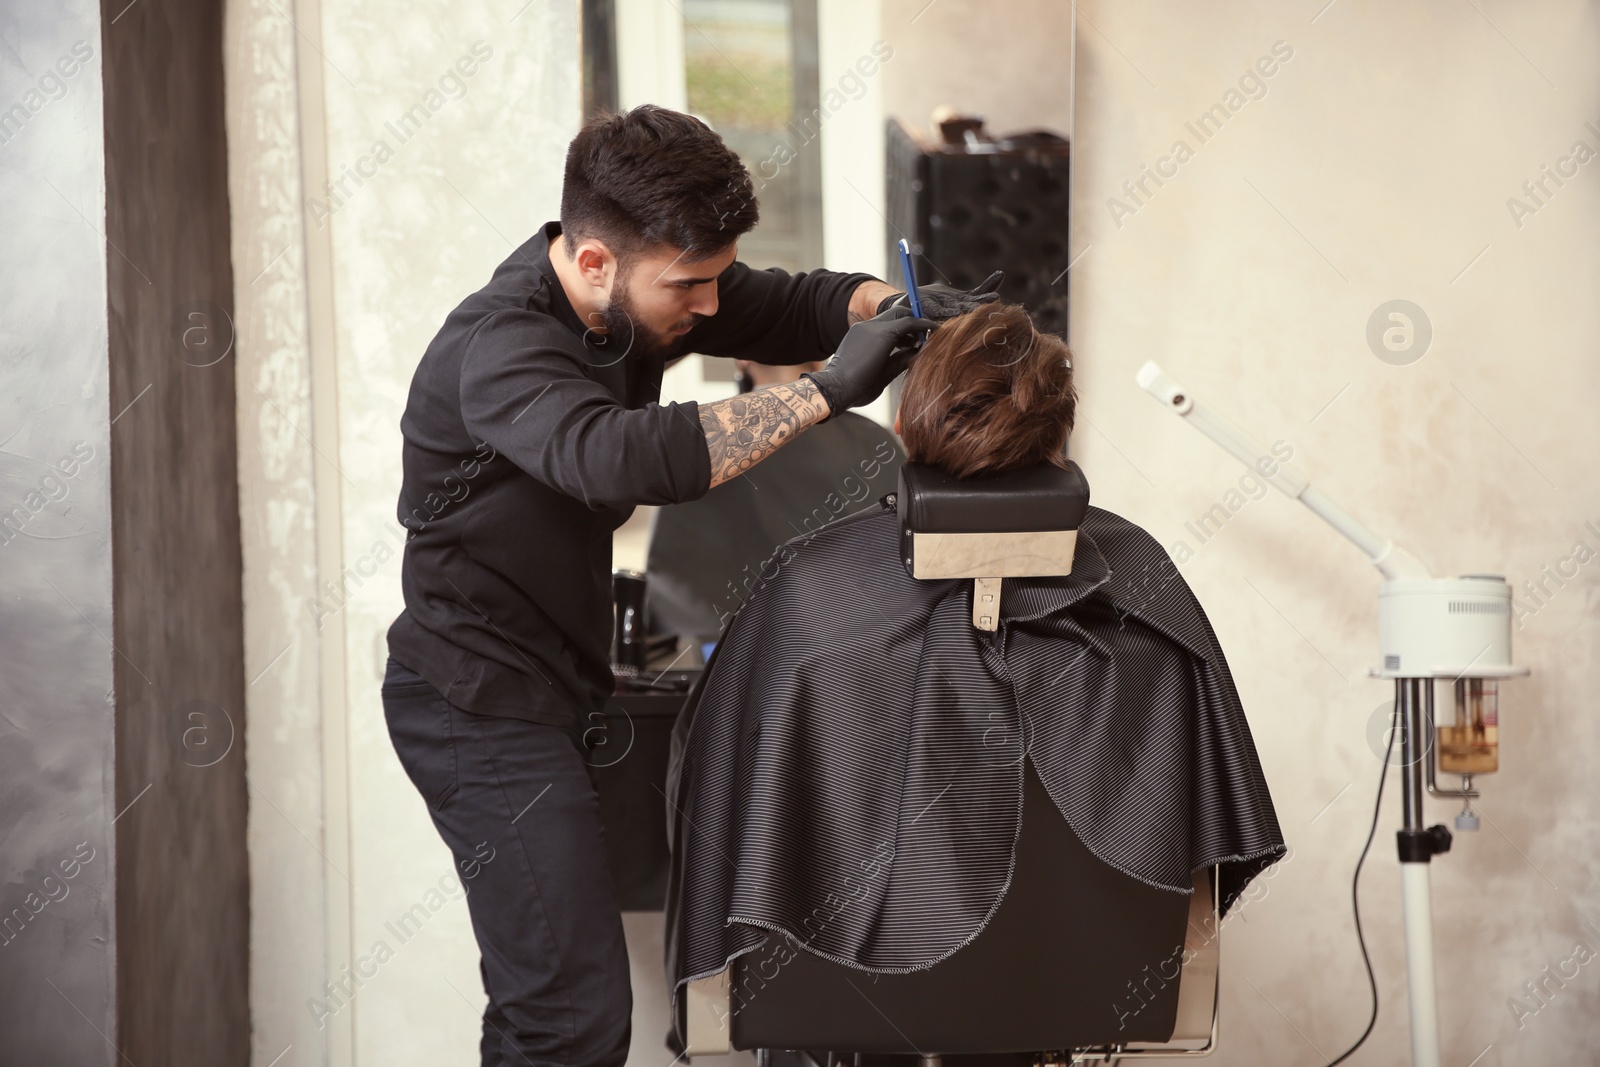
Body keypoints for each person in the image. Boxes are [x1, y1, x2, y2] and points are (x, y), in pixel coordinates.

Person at [379, 103, 998, 1067]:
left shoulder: (643, 290)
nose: (710, 308)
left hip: (560, 687)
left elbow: (792, 299)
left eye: (714, 278)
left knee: (550, 1007)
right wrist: (829, 389)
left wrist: (894, 306)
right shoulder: (499, 350)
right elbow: (626, 458)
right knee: (566, 1015)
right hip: (475, 701)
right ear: (594, 262)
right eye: (690, 287)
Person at [665, 303, 1286, 1025]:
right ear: (1062, 430)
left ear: (909, 422)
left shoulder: (807, 590)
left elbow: (710, 790)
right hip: (1087, 1000)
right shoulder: (1143, 577)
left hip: (842, 1009)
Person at [645, 357, 906, 649]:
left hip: (729, 658)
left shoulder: (704, 443)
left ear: (741, 361)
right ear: (820, 359)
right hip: (860, 650)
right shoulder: (874, 440)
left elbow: (676, 588)